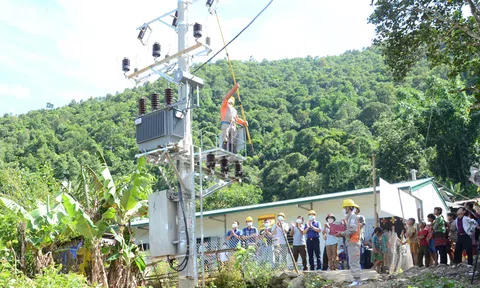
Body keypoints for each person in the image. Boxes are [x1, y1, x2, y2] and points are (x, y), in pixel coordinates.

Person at [335, 199, 362, 287]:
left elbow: (352, 229)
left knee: (354, 262)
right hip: (351, 242)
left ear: (348, 208)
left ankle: (357, 280)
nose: (344, 209)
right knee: (352, 261)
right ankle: (356, 279)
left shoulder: (353, 217)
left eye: (344, 207)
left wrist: (341, 233)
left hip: (353, 242)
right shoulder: (350, 217)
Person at [219, 83, 247, 153]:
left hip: (233, 125)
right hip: (226, 123)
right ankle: (224, 151)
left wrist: (244, 122)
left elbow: (237, 119)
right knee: (225, 138)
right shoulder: (225, 105)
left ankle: (232, 152)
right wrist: (234, 89)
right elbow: (226, 97)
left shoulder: (234, 110)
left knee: (233, 139)